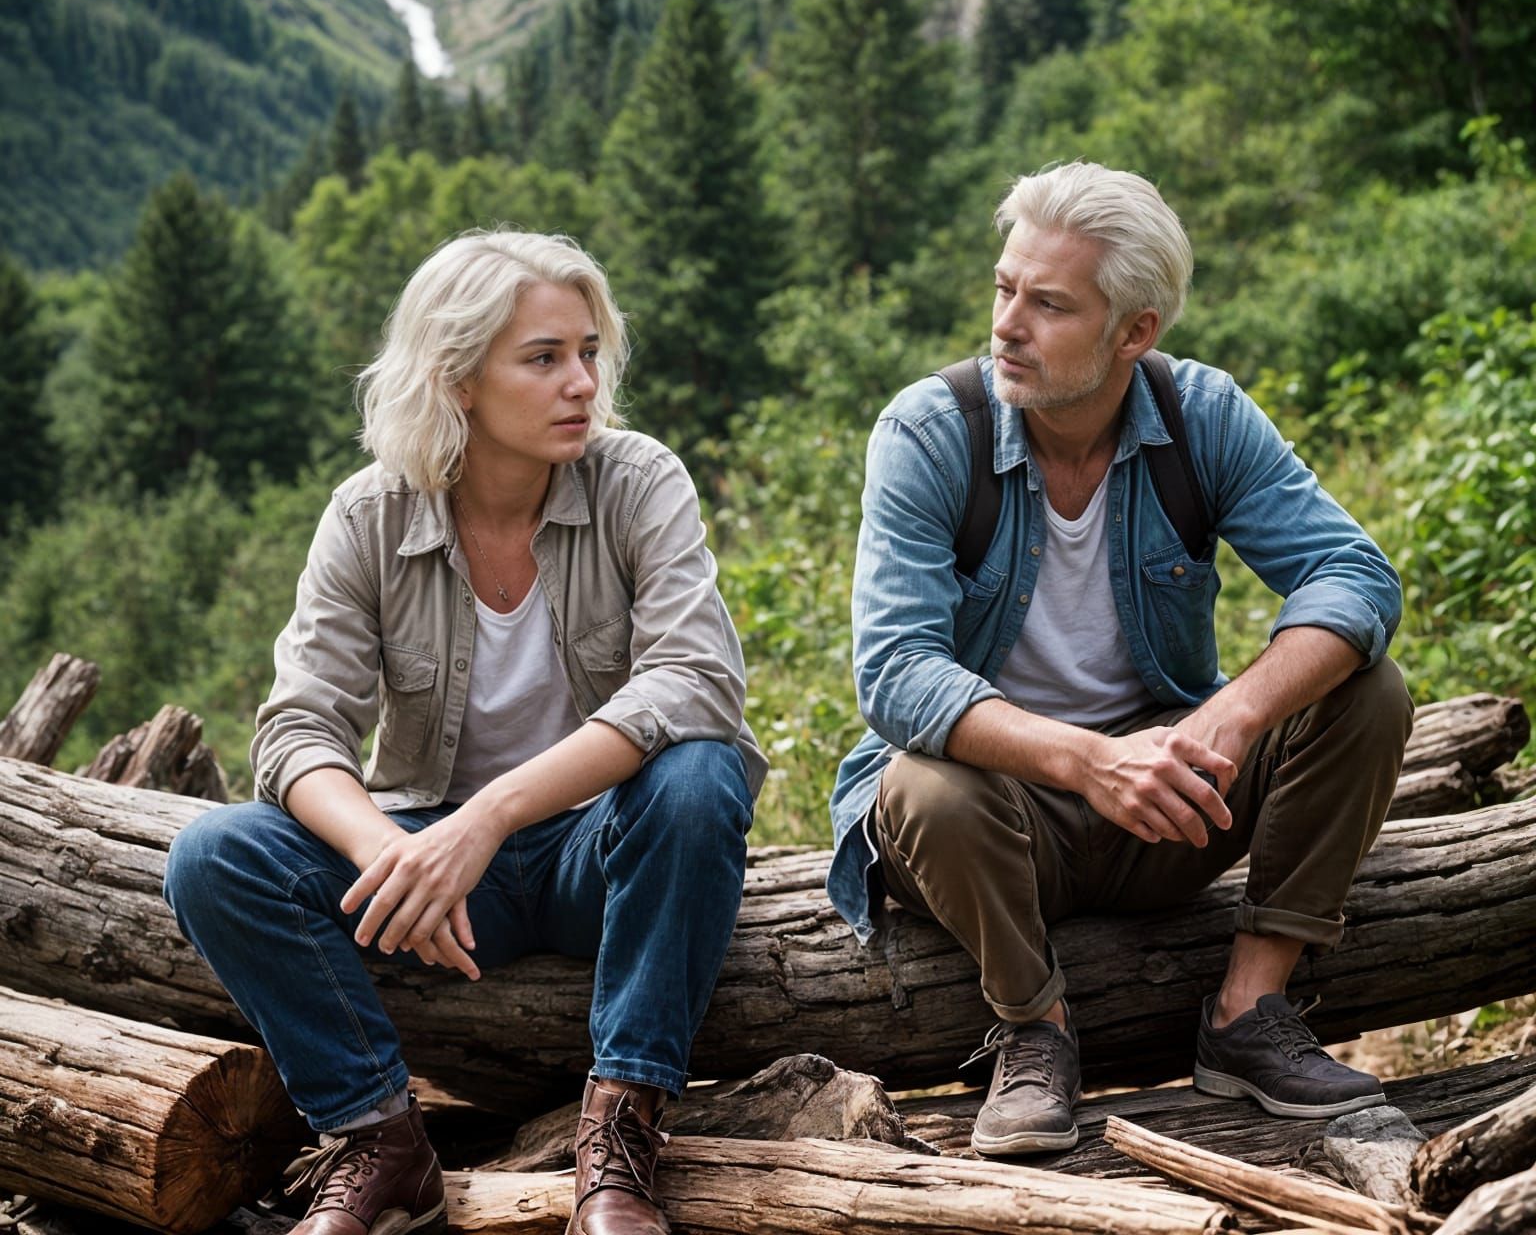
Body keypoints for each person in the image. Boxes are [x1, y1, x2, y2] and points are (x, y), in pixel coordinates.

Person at [165, 229, 765, 1235]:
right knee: (213, 856)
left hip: (595, 855)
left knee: (700, 777)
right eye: (544, 358)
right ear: (458, 381)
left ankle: (619, 1143)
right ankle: (379, 1141)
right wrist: (390, 852)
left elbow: (694, 681)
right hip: (440, 884)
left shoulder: (638, 482)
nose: (581, 382)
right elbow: (300, 729)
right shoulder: (368, 516)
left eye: (588, 351)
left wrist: (485, 818)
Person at [826, 162, 1413, 1157]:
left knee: (1367, 688)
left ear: (1133, 331)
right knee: (926, 785)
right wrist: (1090, 761)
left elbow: (1353, 577)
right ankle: (1032, 1030)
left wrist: (1218, 723)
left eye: (1049, 304)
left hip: (1172, 803)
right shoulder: (931, 432)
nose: (1008, 322)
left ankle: (1250, 1013)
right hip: (1002, 819)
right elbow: (894, 669)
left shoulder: (1202, 418)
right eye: (1006, 287)